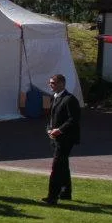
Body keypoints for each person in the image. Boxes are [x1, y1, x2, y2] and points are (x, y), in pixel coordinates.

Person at [44, 73, 81, 204]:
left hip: (66, 139)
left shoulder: (70, 99)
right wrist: (49, 129)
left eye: (53, 83)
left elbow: (74, 119)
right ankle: (66, 193)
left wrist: (59, 130)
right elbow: (50, 117)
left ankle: (52, 196)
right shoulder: (53, 97)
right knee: (63, 165)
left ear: (62, 84)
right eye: (50, 83)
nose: (50, 85)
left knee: (57, 166)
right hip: (55, 138)